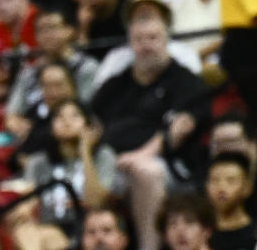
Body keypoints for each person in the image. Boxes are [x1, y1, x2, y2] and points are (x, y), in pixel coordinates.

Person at [91, 15, 210, 250]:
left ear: (167, 41)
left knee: (146, 170)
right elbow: (91, 125)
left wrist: (140, 156)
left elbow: (178, 131)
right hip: (112, 164)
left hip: (169, 167)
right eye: (139, 39)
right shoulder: (114, 85)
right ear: (130, 44)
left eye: (153, 38)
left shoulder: (186, 81)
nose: (146, 45)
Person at [22, 100, 115, 232]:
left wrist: (85, 152)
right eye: (59, 116)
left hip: (88, 230)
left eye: (75, 115)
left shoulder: (103, 156)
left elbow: (96, 202)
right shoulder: (38, 162)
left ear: (89, 125)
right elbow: (27, 205)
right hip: (47, 227)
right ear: (51, 127)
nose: (67, 121)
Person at [206, 152, 256, 250]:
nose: (221, 188)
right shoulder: (198, 233)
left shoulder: (254, 234)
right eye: (214, 180)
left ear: (247, 188)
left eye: (231, 181)